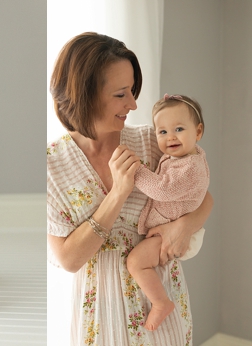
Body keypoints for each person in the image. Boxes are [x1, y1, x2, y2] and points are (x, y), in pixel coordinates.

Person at [47, 32, 213, 345]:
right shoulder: (51, 166)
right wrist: (119, 193)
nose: (134, 104)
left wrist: (183, 227)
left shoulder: (153, 140)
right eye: (121, 94)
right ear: (86, 95)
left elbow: (202, 196)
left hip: (162, 304)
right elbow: (69, 260)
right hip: (101, 315)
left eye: (132, 90)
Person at [127, 94, 209, 331]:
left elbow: (163, 189)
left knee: (136, 262)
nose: (170, 136)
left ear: (198, 131)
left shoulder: (190, 166)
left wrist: (137, 171)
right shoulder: (186, 157)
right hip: (173, 226)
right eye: (162, 132)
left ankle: (161, 303)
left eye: (179, 129)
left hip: (170, 234)